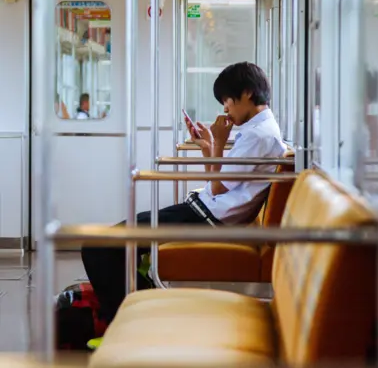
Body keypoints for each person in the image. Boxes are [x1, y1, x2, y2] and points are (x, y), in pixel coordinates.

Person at [81, 62, 286, 325]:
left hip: (207, 218)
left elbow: (219, 185)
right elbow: (218, 182)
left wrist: (219, 143)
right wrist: (210, 145)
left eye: (227, 100)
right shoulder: (257, 131)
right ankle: (142, 311)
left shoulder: (258, 136)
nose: (225, 108)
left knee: (99, 247)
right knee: (115, 242)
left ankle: (130, 321)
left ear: (246, 94)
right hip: (204, 210)